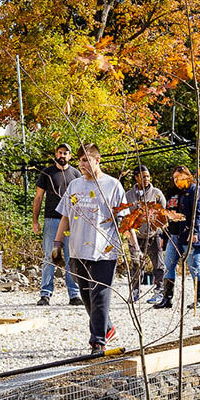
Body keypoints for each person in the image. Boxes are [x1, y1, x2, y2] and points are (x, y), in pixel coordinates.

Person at [53, 143, 135, 352]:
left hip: (104, 250)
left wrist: (134, 246)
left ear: (97, 160)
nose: (82, 164)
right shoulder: (74, 186)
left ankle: (97, 341)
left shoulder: (112, 185)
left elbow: (125, 220)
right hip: (78, 249)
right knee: (87, 295)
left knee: (100, 295)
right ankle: (107, 328)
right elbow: (65, 217)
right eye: (80, 160)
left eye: (86, 160)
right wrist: (57, 243)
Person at [31, 144, 83, 307]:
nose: (62, 155)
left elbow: (81, 199)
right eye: (60, 152)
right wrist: (35, 220)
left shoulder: (76, 174)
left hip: (71, 222)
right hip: (52, 220)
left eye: (66, 153)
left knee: (70, 258)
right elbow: (38, 198)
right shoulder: (47, 172)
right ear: (56, 154)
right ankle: (45, 294)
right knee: (50, 256)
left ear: (70, 155)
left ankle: (74, 294)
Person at [154, 166, 200, 310]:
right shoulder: (173, 192)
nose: (176, 181)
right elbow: (167, 214)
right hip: (174, 234)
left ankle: (199, 300)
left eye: (178, 177)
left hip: (189, 234)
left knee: (193, 266)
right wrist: (162, 234)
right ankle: (167, 299)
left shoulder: (196, 190)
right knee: (169, 265)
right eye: (174, 178)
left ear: (186, 176)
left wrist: (195, 231)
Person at [125, 165, 166, 303]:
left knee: (158, 265)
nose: (146, 179)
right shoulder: (128, 195)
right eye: (143, 176)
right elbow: (125, 217)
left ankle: (159, 291)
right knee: (136, 265)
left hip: (154, 235)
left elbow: (163, 216)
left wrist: (161, 234)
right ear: (136, 178)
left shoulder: (157, 194)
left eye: (148, 176)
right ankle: (135, 291)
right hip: (136, 236)